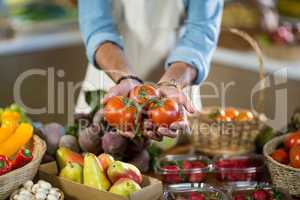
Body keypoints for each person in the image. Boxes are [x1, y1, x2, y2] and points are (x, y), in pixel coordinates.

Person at [77, 0, 223, 140]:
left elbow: (200, 36)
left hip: (177, 86)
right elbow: (96, 28)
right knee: (96, 154)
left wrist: (171, 84)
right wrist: (125, 77)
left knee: (176, 159)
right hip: (109, 80)